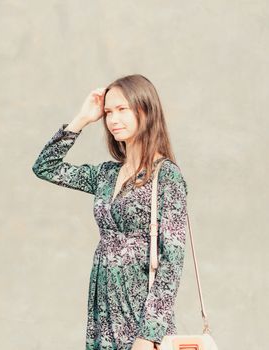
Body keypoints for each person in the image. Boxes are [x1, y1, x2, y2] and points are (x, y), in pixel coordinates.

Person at [31, 74, 188, 350]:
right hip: (103, 308)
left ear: (145, 110)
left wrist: (149, 334)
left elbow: (172, 262)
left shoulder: (166, 176)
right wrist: (81, 119)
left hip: (141, 313)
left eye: (122, 110)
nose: (113, 120)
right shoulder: (105, 174)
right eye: (108, 113)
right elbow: (45, 167)